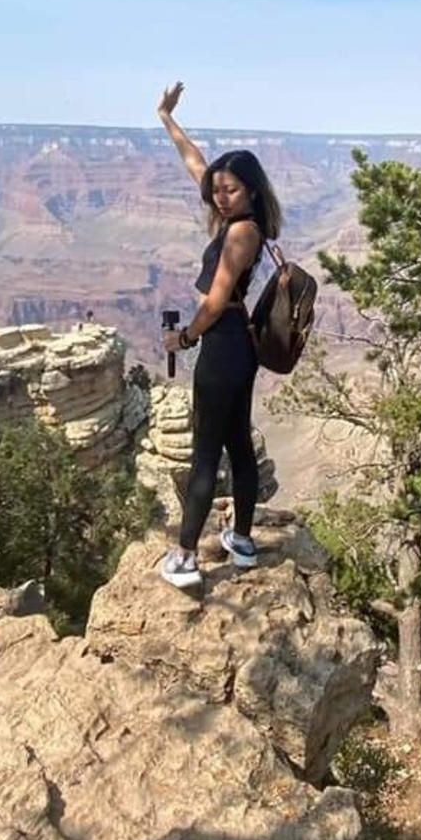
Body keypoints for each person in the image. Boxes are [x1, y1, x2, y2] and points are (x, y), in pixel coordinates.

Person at [157, 80, 283, 589]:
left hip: (223, 344)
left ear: (250, 189)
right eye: (217, 189)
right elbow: (198, 165)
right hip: (238, 348)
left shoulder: (242, 231)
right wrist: (167, 119)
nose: (219, 196)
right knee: (237, 442)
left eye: (230, 190)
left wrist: (185, 338)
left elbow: (215, 301)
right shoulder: (238, 217)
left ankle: (185, 558)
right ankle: (243, 542)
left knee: (206, 452)